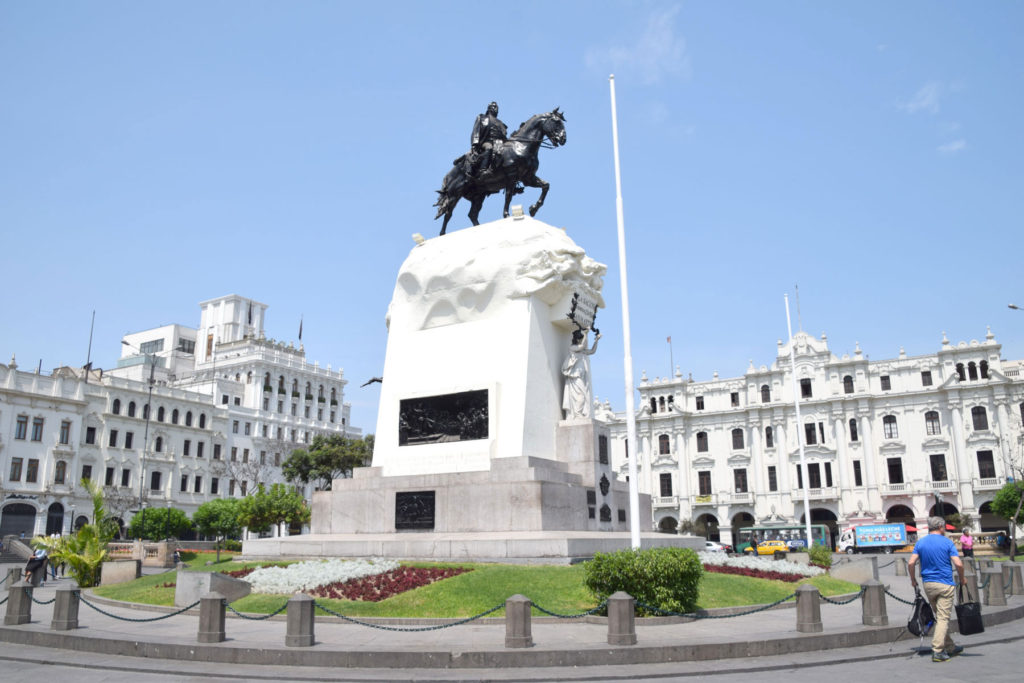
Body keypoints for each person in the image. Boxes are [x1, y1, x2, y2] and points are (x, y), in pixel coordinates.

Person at [909, 516, 966, 662]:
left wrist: (913, 579)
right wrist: (962, 578)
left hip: (928, 584)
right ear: (940, 526)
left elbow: (911, 562)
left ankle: (950, 646)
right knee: (943, 618)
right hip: (945, 583)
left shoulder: (921, 542)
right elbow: (958, 564)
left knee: (939, 616)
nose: (945, 528)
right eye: (944, 526)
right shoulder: (947, 542)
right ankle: (938, 650)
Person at [561, 328, 600, 418]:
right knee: (581, 395)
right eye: (580, 338)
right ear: (577, 339)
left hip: (581, 377)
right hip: (575, 376)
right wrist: (586, 334)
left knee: (583, 395)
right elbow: (582, 346)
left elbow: (592, 351)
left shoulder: (582, 351)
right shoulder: (572, 348)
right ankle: (577, 414)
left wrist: (596, 340)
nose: (581, 340)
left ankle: (578, 413)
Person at [465, 101, 508, 180]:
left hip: (499, 144)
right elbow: (476, 131)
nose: (496, 109)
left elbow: (504, 136)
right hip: (486, 142)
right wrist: (474, 145)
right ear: (489, 108)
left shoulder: (501, 123)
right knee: (489, 147)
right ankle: (482, 170)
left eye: (497, 107)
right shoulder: (482, 118)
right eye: (494, 107)